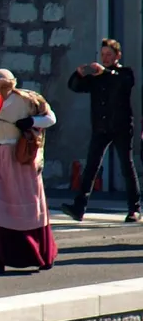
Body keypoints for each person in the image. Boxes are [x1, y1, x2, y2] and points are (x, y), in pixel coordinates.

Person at [0, 69, 57, 273]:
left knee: (30, 207)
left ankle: (41, 254)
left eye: (5, 84)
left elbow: (50, 118)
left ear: (13, 83)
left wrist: (31, 122)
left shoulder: (29, 100)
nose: (1, 89)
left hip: (23, 159)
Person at [66, 38, 137, 221]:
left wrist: (105, 71)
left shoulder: (124, 73)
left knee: (126, 166)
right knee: (91, 167)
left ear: (117, 56)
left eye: (109, 55)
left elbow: (123, 83)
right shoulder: (96, 79)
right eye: (103, 55)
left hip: (121, 127)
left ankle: (133, 209)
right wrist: (79, 74)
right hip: (101, 127)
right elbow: (75, 87)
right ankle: (79, 207)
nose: (105, 58)